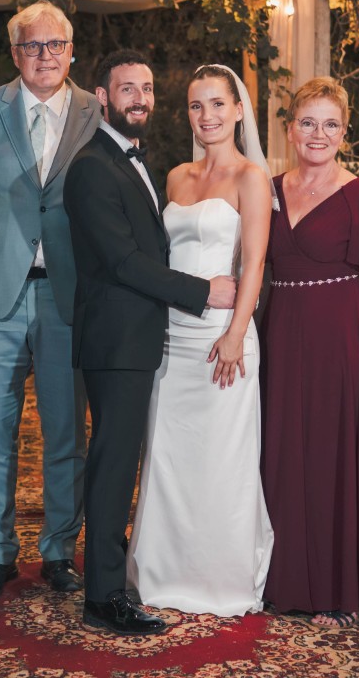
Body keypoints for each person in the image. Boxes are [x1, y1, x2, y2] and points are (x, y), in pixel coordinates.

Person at [64, 50, 237, 635]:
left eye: (146, 88)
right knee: (113, 465)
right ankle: (103, 597)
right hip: (115, 342)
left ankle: (124, 576)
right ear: (102, 97)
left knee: (130, 461)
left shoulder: (136, 161)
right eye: (126, 89)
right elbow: (122, 261)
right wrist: (203, 292)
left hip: (144, 338)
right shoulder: (91, 167)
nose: (139, 98)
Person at [0, 0, 100, 600]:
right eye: (32, 46)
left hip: (69, 295)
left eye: (55, 45)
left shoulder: (95, 111)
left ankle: (60, 549)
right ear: (15, 54)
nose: (45, 56)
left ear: (71, 51)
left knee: (66, 431)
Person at [125, 64, 274, 617]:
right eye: (196, 105)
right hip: (171, 338)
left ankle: (221, 578)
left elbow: (254, 262)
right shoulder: (176, 178)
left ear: (238, 110)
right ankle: (164, 572)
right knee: (168, 457)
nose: (206, 115)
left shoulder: (250, 178)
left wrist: (235, 333)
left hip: (220, 336)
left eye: (217, 104)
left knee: (220, 458)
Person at [260, 77, 359, 628]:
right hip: (282, 338)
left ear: (344, 133)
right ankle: (283, 580)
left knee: (332, 458)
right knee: (283, 455)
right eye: (307, 123)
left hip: (343, 343)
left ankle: (336, 586)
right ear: (290, 129)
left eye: (330, 124)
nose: (317, 134)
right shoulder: (268, 191)